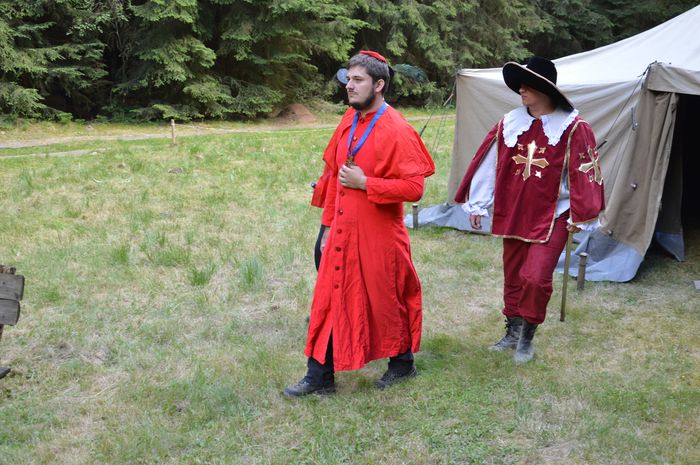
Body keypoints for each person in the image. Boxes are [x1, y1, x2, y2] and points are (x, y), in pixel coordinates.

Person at [284, 51, 435, 397]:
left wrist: (367, 183)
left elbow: (414, 188)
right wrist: (326, 228)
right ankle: (319, 377)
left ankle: (402, 364)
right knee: (329, 298)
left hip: (379, 235)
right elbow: (333, 179)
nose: (349, 86)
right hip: (341, 229)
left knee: (385, 301)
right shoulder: (348, 120)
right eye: (348, 79)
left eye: (358, 80)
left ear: (378, 85)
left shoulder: (397, 128)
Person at [454, 56, 605, 363]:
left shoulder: (574, 128)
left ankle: (527, 336)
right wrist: (479, 203)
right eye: (520, 84)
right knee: (513, 276)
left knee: (535, 278)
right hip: (514, 210)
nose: (521, 89)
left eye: (528, 84)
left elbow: (586, 172)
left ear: (545, 89)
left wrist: (581, 213)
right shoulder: (510, 123)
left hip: (554, 215)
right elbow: (489, 163)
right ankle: (512, 330)